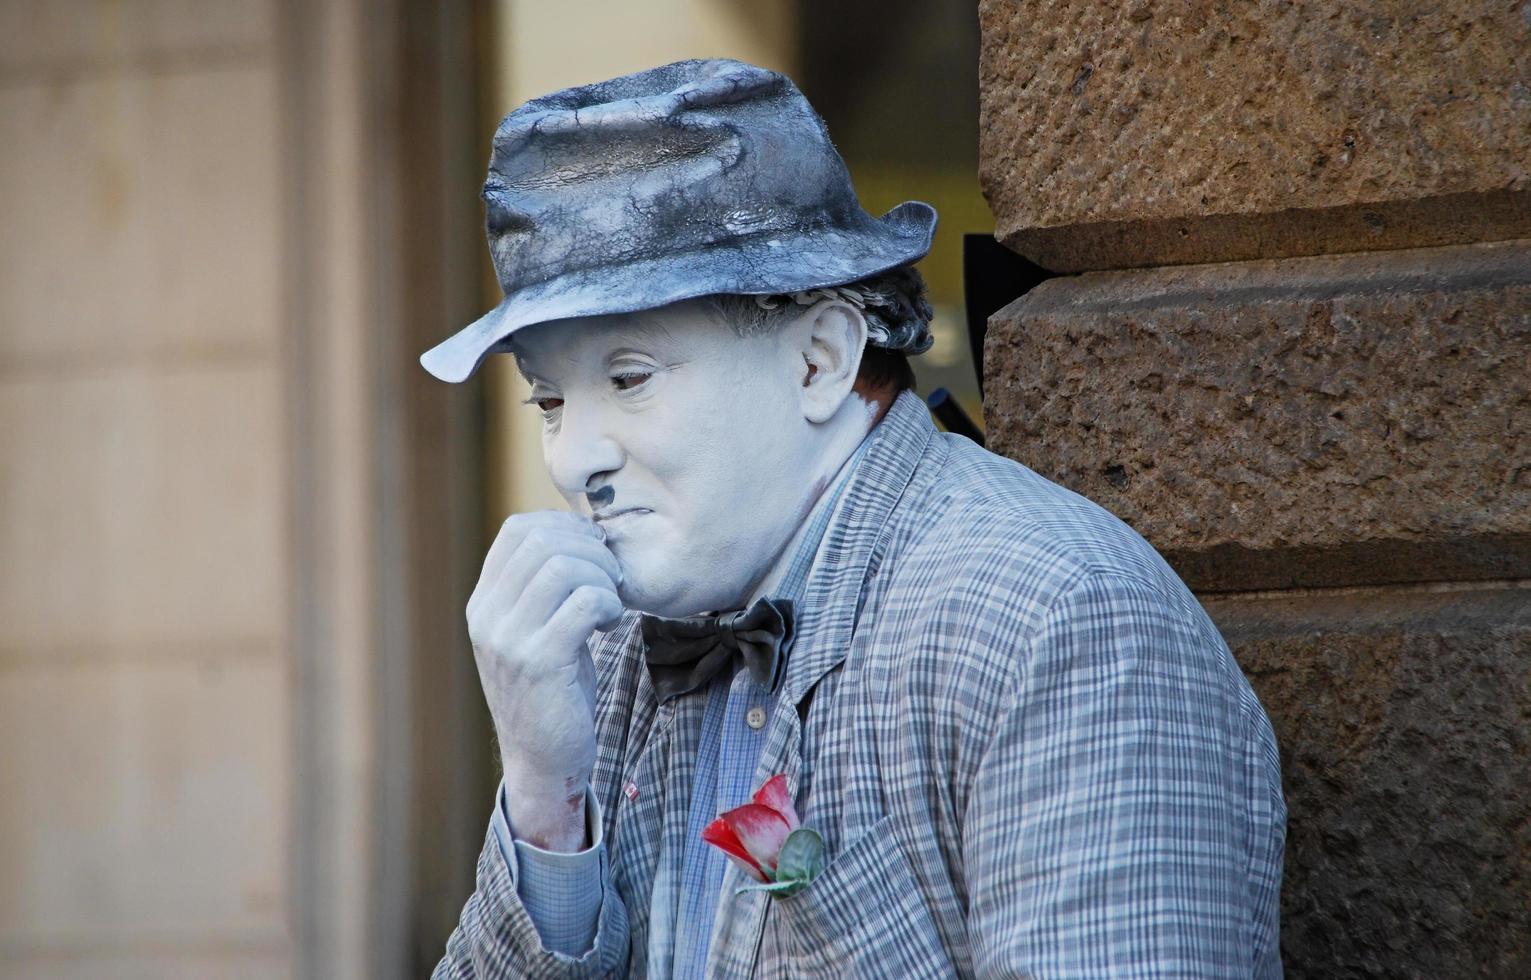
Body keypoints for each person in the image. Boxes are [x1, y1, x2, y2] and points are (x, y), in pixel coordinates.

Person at [424, 58, 1285, 978]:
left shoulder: (1055, 620)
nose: (572, 457)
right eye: (548, 400)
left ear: (820, 360)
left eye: (629, 378)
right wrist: (544, 797)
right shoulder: (609, 648)